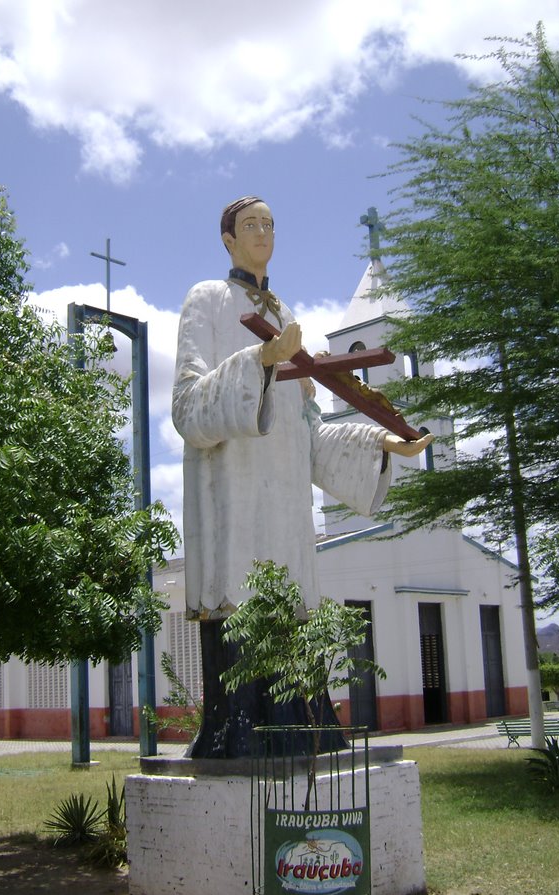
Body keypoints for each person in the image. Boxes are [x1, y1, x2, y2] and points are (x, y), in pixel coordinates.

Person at [172, 196, 430, 757]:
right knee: (240, 622)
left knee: (292, 623)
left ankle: (307, 730)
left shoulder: (287, 319)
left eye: (269, 223)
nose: (262, 231)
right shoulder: (209, 301)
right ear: (227, 239)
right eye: (249, 224)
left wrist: (381, 442)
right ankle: (233, 735)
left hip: (286, 518)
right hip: (234, 506)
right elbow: (189, 410)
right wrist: (259, 362)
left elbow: (306, 434)